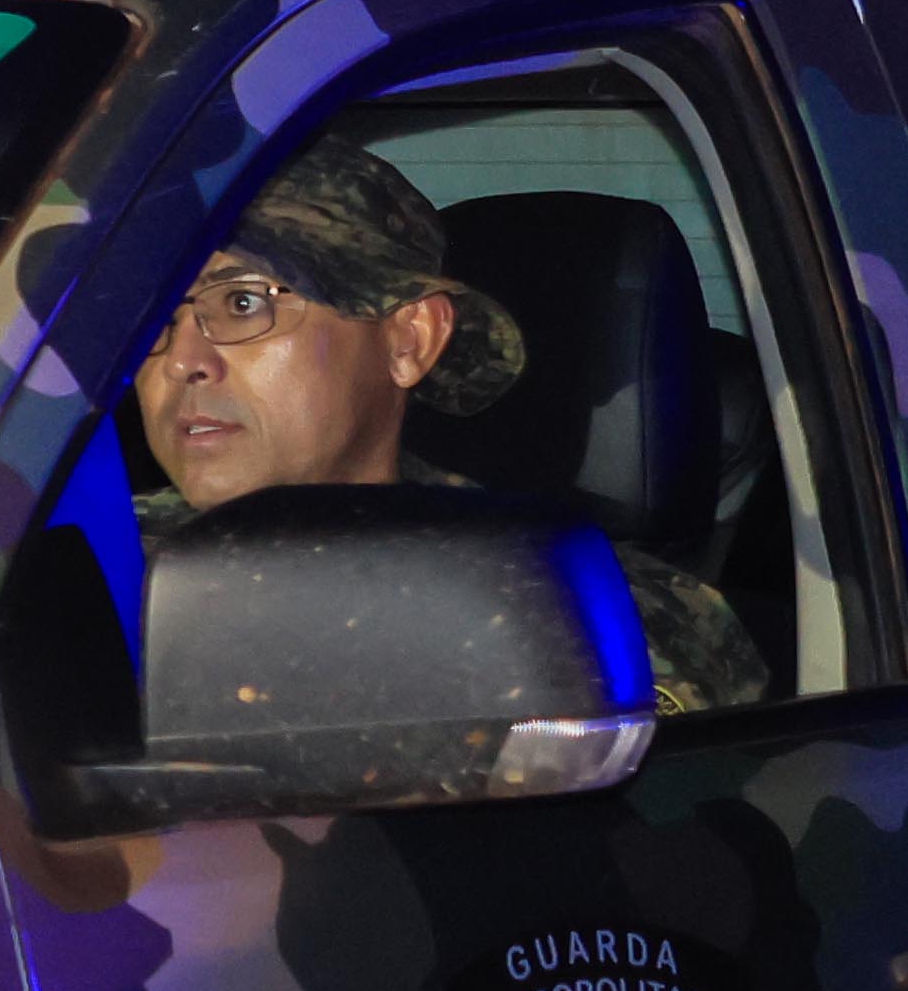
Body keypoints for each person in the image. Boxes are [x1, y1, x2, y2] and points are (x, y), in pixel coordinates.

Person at [124, 138, 768, 713]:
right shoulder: (72, 576)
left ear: (408, 340)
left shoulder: (594, 620)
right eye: (154, 318)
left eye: (242, 302)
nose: (182, 361)